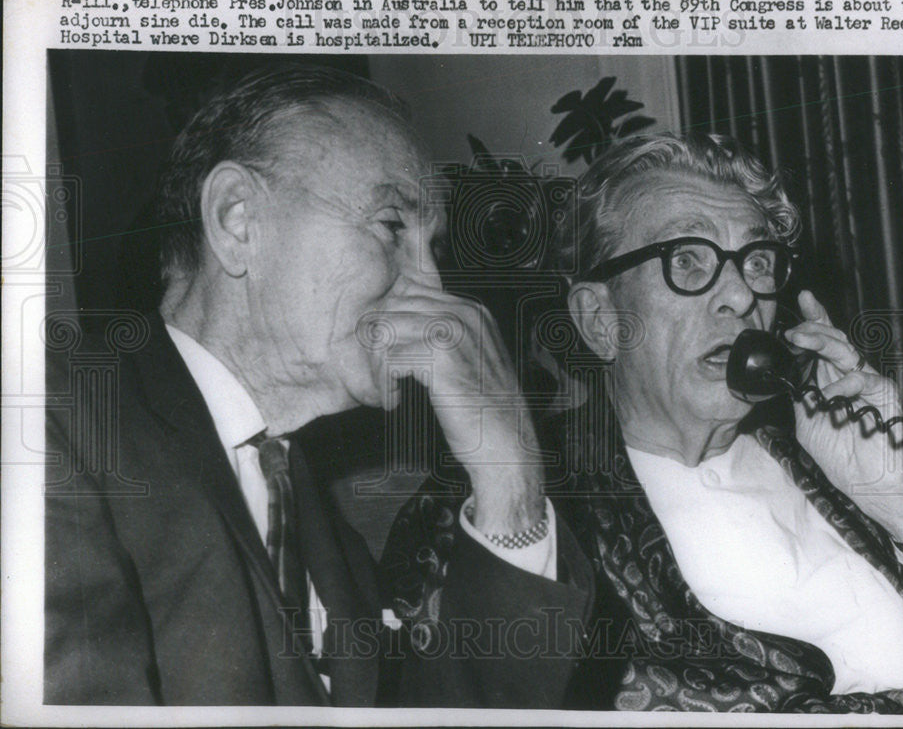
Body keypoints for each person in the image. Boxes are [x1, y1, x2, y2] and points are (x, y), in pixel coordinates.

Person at [44, 64, 591, 707]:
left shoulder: (312, 518)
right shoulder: (56, 422)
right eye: (392, 227)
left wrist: (510, 480)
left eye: (432, 247)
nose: (435, 290)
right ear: (238, 220)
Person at [384, 131, 903, 714]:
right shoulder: (501, 510)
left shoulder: (832, 465)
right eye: (687, 261)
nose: (741, 297)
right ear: (600, 320)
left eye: (757, 261)